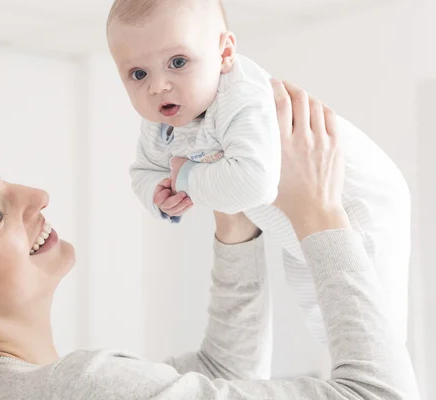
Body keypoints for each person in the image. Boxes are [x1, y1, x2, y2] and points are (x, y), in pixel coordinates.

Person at [0, 81, 418, 399]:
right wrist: (319, 211)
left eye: (2, 176)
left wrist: (231, 216)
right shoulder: (80, 390)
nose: (35, 196)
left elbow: (218, 375)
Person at [107, 0, 410, 343]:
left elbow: (253, 183)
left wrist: (188, 178)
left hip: (363, 205)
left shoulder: (240, 96)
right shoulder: (161, 121)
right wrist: (159, 193)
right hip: (298, 225)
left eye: (178, 63)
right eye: (138, 74)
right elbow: (144, 170)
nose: (158, 85)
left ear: (224, 54)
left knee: (377, 328)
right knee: (327, 325)